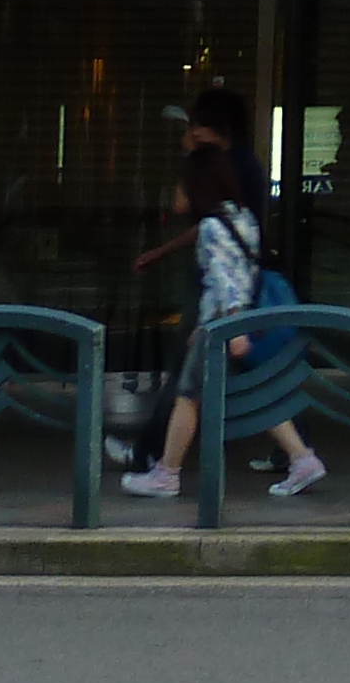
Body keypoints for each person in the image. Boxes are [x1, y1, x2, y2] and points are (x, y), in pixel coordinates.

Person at [120, 154, 328, 500]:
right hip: (232, 321)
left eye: (180, 184)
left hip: (224, 326)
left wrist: (229, 326)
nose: (176, 192)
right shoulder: (242, 216)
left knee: (188, 396)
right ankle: (302, 458)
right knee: (251, 392)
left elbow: (224, 280)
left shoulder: (212, 228)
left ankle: (166, 474)